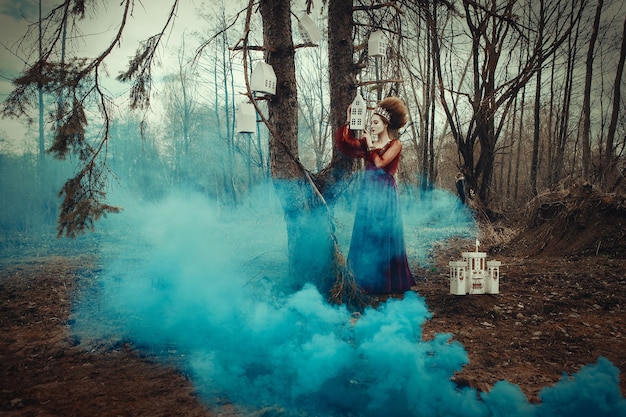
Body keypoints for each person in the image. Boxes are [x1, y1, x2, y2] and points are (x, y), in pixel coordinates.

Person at [335, 96, 416, 294]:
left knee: (384, 233)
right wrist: (348, 120)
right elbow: (345, 144)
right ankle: (364, 279)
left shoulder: (395, 144)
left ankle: (387, 282)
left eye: (375, 122)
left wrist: (370, 145)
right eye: (370, 122)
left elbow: (380, 163)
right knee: (367, 232)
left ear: (385, 124)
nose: (371, 126)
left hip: (385, 194)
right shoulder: (366, 142)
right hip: (368, 193)